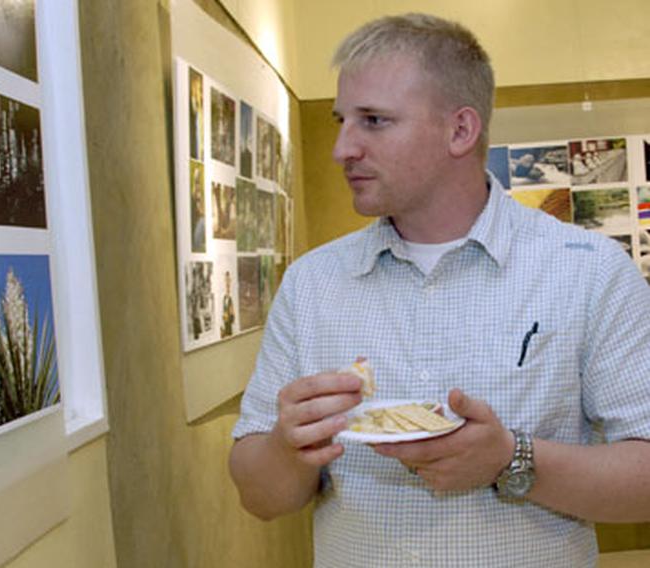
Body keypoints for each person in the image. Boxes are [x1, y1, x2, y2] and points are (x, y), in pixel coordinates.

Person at [228, 13, 650, 567]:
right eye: (341, 120)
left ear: (460, 130)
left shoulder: (589, 272)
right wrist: (289, 448)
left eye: (374, 121)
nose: (341, 149)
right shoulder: (312, 283)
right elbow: (259, 497)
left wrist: (510, 459)